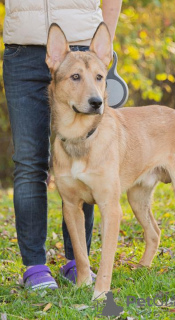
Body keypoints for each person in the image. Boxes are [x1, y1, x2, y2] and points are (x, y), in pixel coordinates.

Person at [3, 0, 122, 290]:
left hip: (84, 44)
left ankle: (77, 262)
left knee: (89, 154)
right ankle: (35, 266)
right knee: (29, 160)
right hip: (23, 47)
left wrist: (102, 46)